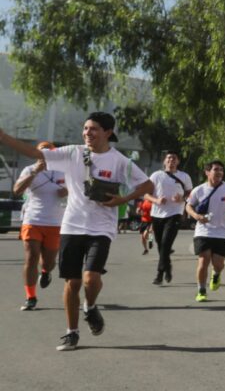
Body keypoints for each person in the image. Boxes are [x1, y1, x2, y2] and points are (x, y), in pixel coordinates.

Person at [0, 112, 153, 351]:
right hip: (72, 226)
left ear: (108, 132)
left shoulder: (119, 161)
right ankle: (71, 333)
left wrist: (123, 199)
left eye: (93, 129)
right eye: (85, 128)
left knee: (91, 278)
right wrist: (3, 137)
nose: (87, 133)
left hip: (101, 228)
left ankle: (90, 306)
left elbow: (147, 184)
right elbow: (34, 153)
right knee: (72, 282)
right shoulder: (72, 153)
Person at [13, 141, 67, 311]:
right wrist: (35, 172)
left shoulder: (63, 170)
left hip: (55, 222)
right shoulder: (29, 169)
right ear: (36, 153)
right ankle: (30, 297)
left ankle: (45, 272)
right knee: (31, 257)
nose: (45, 155)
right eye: (42, 152)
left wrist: (68, 191)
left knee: (49, 262)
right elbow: (17, 190)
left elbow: (79, 190)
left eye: (48, 152)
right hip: (33, 219)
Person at [185, 160, 225, 301]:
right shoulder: (199, 190)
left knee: (218, 264)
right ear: (207, 172)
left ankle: (216, 274)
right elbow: (188, 206)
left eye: (221, 170)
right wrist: (197, 216)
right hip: (203, 231)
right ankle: (201, 291)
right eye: (216, 169)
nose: (219, 172)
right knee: (203, 260)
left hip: (223, 231)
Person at [144, 150, 193, 285]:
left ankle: (159, 273)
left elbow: (191, 194)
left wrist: (182, 198)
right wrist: (156, 200)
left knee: (166, 243)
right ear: (164, 161)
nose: (171, 160)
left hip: (175, 214)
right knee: (160, 245)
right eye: (169, 158)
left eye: (174, 158)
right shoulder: (156, 175)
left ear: (178, 161)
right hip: (157, 214)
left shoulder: (184, 176)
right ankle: (168, 266)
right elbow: (146, 194)